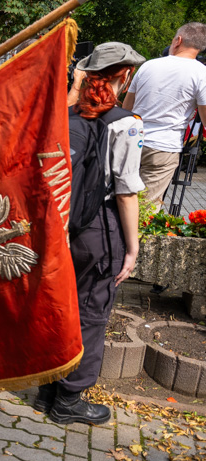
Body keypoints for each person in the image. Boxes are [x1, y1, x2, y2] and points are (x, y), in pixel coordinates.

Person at [34, 42, 145, 425]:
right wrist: (132, 248)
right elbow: (127, 191)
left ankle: (46, 389)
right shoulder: (126, 123)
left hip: (67, 225)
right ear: (124, 76)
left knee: (63, 306)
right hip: (102, 227)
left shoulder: (66, 116)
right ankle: (69, 399)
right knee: (92, 314)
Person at [122, 22, 206, 204]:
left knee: (121, 198)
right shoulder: (201, 73)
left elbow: (126, 109)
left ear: (178, 40)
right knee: (146, 207)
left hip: (131, 139)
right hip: (164, 147)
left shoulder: (148, 66)